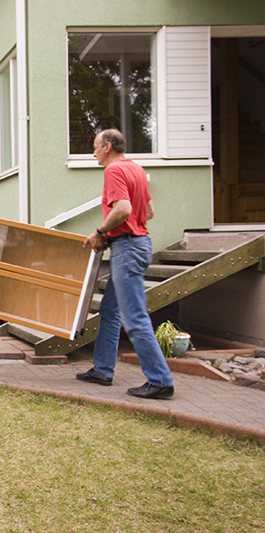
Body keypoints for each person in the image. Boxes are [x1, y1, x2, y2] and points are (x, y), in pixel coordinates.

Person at [78, 128, 175, 400]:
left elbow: (123, 209)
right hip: (136, 244)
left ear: (107, 146)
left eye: (95, 147)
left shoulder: (114, 171)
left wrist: (100, 233)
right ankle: (103, 369)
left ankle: (160, 380)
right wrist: (120, 232)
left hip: (128, 248)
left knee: (134, 318)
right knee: (111, 310)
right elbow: (149, 212)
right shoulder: (136, 170)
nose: (93, 152)